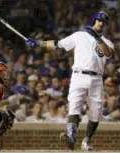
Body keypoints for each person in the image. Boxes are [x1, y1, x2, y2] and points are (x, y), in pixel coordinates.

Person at [25, 12, 114, 151]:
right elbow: (58, 45)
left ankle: (87, 140)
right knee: (74, 107)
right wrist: (38, 44)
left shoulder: (107, 42)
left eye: (104, 22)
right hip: (78, 75)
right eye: (99, 20)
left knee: (96, 113)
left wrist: (97, 37)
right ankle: (71, 139)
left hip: (97, 78)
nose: (101, 23)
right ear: (94, 20)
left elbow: (108, 53)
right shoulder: (79, 35)